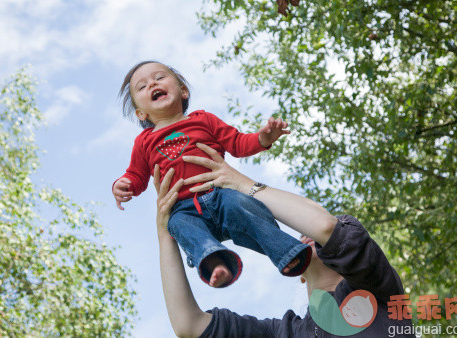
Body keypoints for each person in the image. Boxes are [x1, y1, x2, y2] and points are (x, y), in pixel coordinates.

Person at [155, 143, 414, 337]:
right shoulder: (287, 332)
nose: (307, 234)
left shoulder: (375, 290)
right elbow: (188, 325)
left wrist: (242, 184)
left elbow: (324, 226)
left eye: (312, 234)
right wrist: (166, 229)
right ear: (300, 276)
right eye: (303, 234)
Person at [112, 61, 310, 288]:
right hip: (184, 208)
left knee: (242, 205)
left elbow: (237, 143)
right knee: (177, 224)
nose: (152, 84)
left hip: (221, 195)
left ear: (183, 91)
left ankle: (286, 250)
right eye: (142, 86)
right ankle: (214, 262)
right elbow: (136, 175)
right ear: (140, 113)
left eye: (159, 77)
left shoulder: (203, 120)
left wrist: (263, 138)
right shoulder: (144, 141)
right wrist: (123, 184)